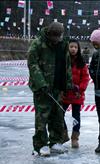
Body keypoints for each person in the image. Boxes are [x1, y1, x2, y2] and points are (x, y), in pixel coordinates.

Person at [27, 22, 73, 156]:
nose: (56, 39)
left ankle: (55, 142)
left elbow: (67, 64)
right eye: (54, 36)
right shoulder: (38, 43)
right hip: (42, 87)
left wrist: (68, 83)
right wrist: (41, 83)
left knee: (57, 114)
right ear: (49, 33)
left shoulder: (63, 44)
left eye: (58, 36)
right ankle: (40, 145)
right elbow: (32, 64)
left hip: (58, 85)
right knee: (42, 116)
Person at [62, 39, 90, 148]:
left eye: (75, 47)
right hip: (65, 94)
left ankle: (75, 138)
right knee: (59, 115)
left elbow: (85, 78)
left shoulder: (82, 63)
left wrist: (80, 89)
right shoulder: (63, 61)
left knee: (76, 117)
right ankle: (63, 134)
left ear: (78, 49)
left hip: (77, 95)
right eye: (71, 46)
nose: (73, 49)